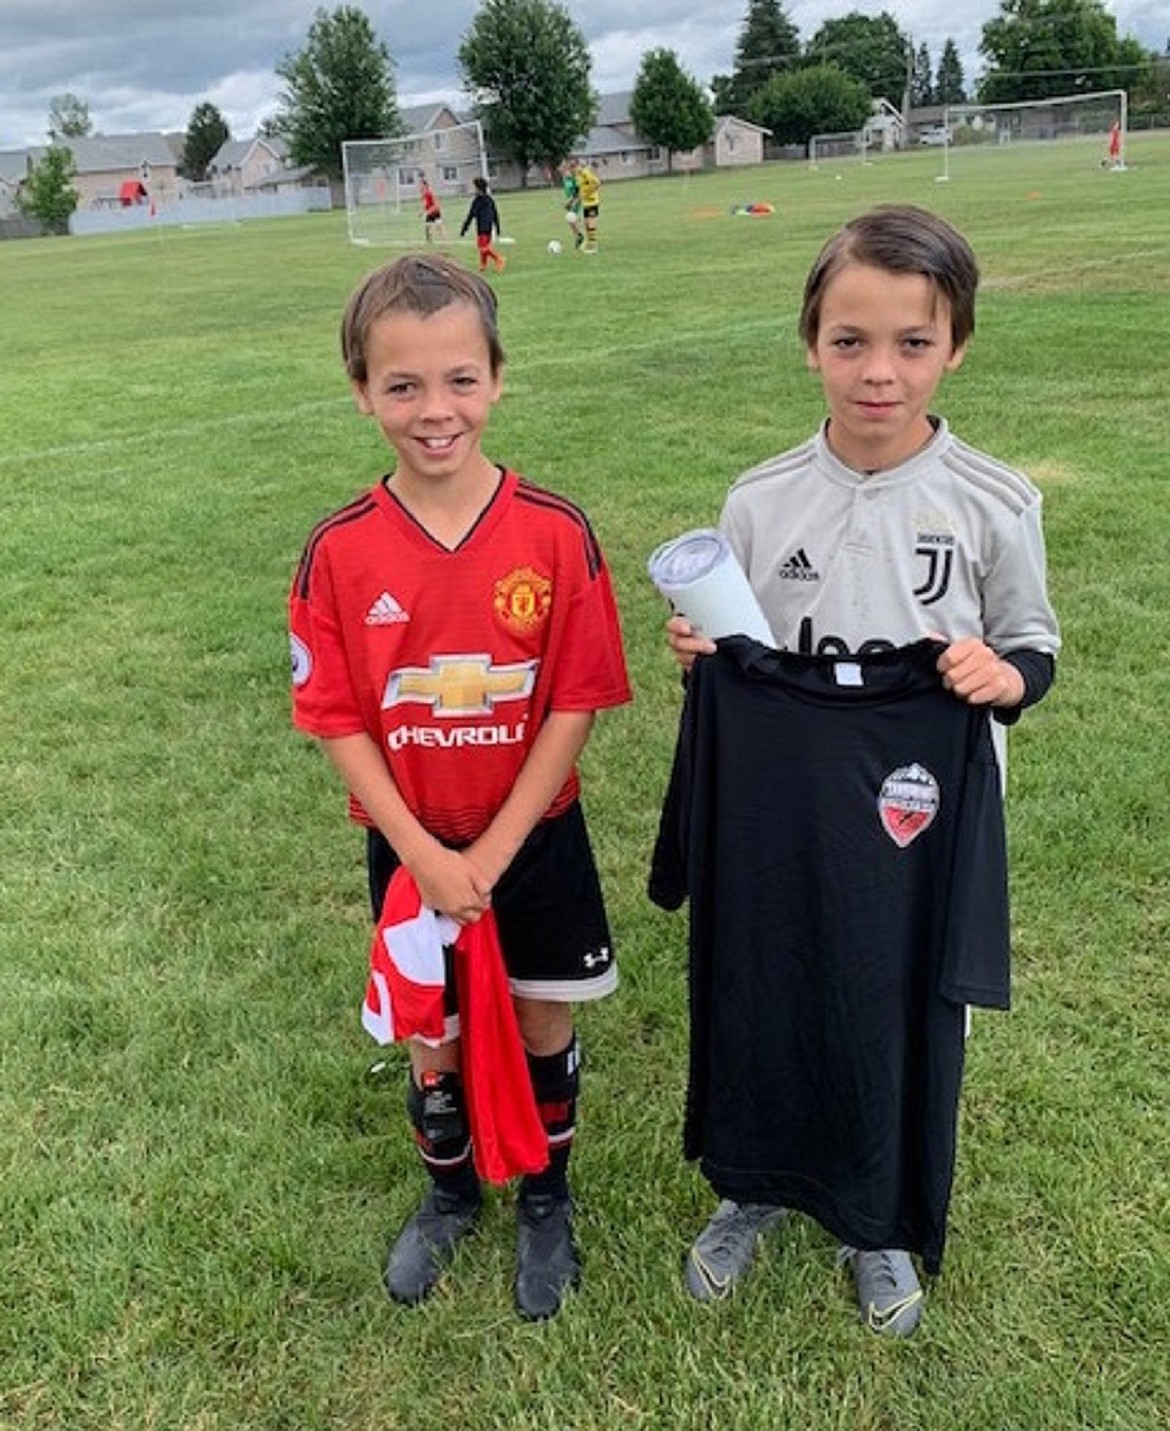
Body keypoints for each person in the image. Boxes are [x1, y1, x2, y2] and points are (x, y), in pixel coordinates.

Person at [657, 204, 1059, 1337]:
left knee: (896, 1010)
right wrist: (703, 652)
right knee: (770, 984)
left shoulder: (994, 502)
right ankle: (754, 1183)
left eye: (912, 344)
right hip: (786, 821)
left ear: (957, 347)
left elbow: (1038, 645)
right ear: (810, 342)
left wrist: (1006, 677)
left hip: (917, 828)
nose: (880, 372)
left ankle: (880, 1221)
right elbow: (741, 655)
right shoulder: (759, 499)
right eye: (850, 342)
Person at [289, 254, 631, 1320]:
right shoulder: (339, 552)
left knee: (541, 1022)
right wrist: (430, 858)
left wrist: (489, 854)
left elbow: (572, 703)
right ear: (362, 392)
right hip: (412, 848)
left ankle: (545, 1197)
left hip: (535, 840)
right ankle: (447, 1198)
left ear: (498, 377)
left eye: (460, 380)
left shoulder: (554, 533)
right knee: (431, 1034)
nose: (435, 411)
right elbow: (337, 718)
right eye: (403, 386)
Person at [460, 176, 506, 273]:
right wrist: (465, 228)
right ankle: (483, 265)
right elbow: (471, 215)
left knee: (483, 247)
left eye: (474, 187)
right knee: (483, 247)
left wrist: (497, 227)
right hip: (483, 227)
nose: (473, 189)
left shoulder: (484, 201)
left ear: (478, 188)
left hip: (485, 227)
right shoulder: (481, 200)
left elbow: (493, 214)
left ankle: (499, 259)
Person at [573, 159, 601, 252]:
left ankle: (594, 246)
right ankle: (588, 244)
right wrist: (578, 200)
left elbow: (597, 183)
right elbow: (581, 189)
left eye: (576, 166)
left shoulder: (586, 173)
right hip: (586, 203)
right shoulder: (578, 176)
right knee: (586, 224)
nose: (575, 169)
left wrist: (589, 193)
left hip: (592, 202)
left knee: (591, 223)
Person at [559, 160, 583, 251]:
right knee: (570, 220)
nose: (560, 169)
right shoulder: (565, 178)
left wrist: (570, 202)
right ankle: (578, 236)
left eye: (562, 168)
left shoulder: (572, 177)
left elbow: (577, 192)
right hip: (571, 200)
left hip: (576, 200)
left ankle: (579, 236)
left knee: (571, 218)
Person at [418, 173, 447, 242]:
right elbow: (425, 204)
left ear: (426, 186)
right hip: (429, 211)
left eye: (423, 186)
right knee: (428, 226)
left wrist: (428, 212)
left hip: (435, 211)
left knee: (439, 226)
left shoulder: (429, 193)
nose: (421, 188)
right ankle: (429, 241)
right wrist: (422, 212)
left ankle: (445, 239)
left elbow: (436, 205)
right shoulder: (424, 194)